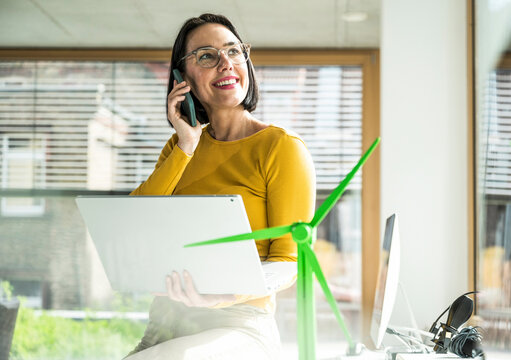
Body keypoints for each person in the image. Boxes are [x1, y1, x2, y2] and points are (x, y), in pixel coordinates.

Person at [125, 13, 316, 360]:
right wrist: (185, 145)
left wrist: (226, 293)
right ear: (182, 78)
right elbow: (136, 219)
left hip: (239, 325)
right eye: (207, 56)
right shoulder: (179, 147)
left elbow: (290, 261)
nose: (226, 63)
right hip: (166, 324)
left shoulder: (281, 147)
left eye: (233, 51)